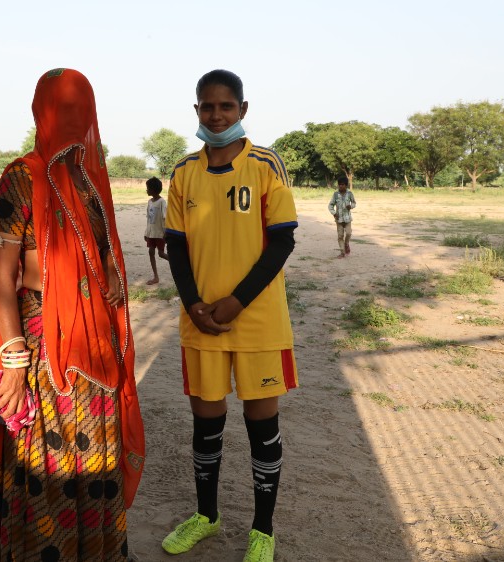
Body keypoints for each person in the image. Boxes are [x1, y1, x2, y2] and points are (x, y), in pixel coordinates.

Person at [0, 68, 144, 561]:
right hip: (43, 349)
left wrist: (112, 277)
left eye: (82, 108)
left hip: (96, 347)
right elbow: (0, 280)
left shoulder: (89, 180)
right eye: (63, 107)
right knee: (44, 462)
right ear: (42, 111)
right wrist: (12, 362)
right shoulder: (20, 177)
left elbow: (103, 254)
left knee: (96, 458)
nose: (74, 119)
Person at [161, 69, 298, 562]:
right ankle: (207, 515)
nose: (216, 115)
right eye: (206, 106)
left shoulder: (266, 165)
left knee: (262, 427)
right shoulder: (182, 173)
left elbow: (282, 240)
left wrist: (236, 301)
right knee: (206, 426)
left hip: (258, 322)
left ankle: (262, 530)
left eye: (225, 106)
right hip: (201, 324)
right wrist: (194, 305)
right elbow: (176, 250)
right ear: (196, 110)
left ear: (243, 109)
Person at [143, 176, 168, 285]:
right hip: (151, 233)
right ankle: (156, 277)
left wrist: (166, 233)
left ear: (153, 189)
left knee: (161, 254)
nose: (147, 190)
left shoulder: (162, 202)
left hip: (159, 234)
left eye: (148, 188)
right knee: (151, 252)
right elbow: (148, 219)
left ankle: (177, 263)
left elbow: (165, 218)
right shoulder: (150, 202)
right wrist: (146, 233)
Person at [328, 177, 356, 258]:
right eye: (339, 184)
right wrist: (334, 213)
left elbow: (354, 203)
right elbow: (330, 205)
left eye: (342, 185)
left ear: (346, 185)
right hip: (339, 219)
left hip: (347, 219)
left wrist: (351, 206)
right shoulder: (335, 194)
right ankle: (342, 252)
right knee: (340, 236)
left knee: (348, 233)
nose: (340, 186)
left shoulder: (350, 194)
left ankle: (346, 244)